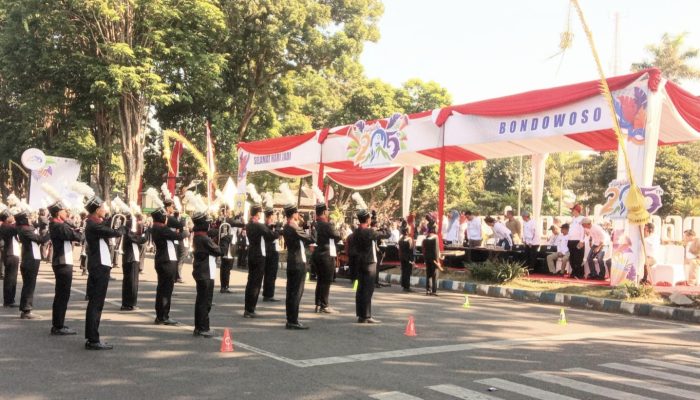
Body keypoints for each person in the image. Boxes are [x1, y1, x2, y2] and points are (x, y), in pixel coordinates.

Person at [84, 195, 125, 350]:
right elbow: (114, 232)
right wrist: (121, 228)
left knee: (96, 303)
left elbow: (106, 224)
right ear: (96, 209)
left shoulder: (94, 223)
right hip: (99, 265)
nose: (105, 209)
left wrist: (116, 216)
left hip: (99, 264)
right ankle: (93, 339)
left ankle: (92, 337)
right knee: (96, 303)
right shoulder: (93, 225)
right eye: (102, 207)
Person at [48, 200, 83, 334]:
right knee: (62, 295)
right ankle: (58, 326)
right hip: (62, 262)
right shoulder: (59, 226)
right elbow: (77, 236)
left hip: (62, 261)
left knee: (62, 295)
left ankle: (59, 323)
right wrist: (78, 231)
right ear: (58, 213)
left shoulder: (58, 224)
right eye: (63, 211)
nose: (66, 212)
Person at [352, 205, 390, 324]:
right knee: (368, 290)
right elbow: (387, 234)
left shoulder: (356, 232)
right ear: (367, 219)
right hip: (370, 263)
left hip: (360, 262)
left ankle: (360, 315)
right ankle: (367, 316)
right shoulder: (369, 232)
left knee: (360, 289)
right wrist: (383, 223)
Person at [191, 212, 226, 337]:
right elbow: (219, 251)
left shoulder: (199, 236)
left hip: (202, 271)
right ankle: (203, 328)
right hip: (205, 272)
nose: (209, 224)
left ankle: (199, 327)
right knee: (205, 301)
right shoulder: (204, 239)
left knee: (202, 300)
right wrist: (225, 239)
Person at [151, 206, 188, 325]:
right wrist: (185, 229)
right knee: (166, 289)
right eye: (165, 216)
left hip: (164, 259)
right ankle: (164, 316)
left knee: (162, 289)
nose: (166, 218)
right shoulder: (161, 228)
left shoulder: (158, 227)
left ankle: (160, 315)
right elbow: (179, 236)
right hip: (166, 261)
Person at [243, 199, 279, 318]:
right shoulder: (258, 225)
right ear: (258, 213)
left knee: (250, 282)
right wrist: (276, 229)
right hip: (259, 255)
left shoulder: (249, 224)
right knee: (256, 284)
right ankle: (250, 309)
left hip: (252, 254)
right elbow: (272, 236)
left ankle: (248, 308)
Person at [281, 202, 314, 329]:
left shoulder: (287, 226)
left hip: (292, 260)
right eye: (297, 213)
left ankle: (291, 319)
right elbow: (310, 239)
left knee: (291, 292)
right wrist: (312, 227)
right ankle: (293, 320)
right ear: (294, 214)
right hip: (298, 261)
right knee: (296, 292)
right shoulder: (293, 227)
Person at [16, 209, 50, 320]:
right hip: (30, 259)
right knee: (29, 286)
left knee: (28, 285)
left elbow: (35, 226)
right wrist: (50, 232)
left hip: (30, 259)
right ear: (24, 220)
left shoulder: (24, 228)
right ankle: (26, 310)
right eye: (28, 218)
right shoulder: (25, 230)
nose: (31, 219)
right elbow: (41, 239)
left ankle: (25, 308)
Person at [311, 200, 342, 314]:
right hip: (326, 254)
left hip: (317, 254)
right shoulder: (327, 224)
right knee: (326, 280)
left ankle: (318, 303)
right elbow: (337, 236)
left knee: (320, 280)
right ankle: (324, 305)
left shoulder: (315, 224)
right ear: (324, 211)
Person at [121, 212, 147, 311]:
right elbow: (139, 240)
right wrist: (146, 234)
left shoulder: (130, 233)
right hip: (130, 258)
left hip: (132, 258)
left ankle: (130, 303)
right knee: (130, 282)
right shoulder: (129, 233)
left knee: (132, 282)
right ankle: (128, 303)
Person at [262, 206, 282, 302]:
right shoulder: (265, 226)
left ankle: (269, 293)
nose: (275, 217)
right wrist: (277, 229)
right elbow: (275, 236)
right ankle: (268, 294)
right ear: (270, 216)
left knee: (271, 274)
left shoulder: (271, 225)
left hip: (272, 250)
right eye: (273, 215)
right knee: (270, 273)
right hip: (270, 251)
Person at [1, 209, 20, 308]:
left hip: (12, 254)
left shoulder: (7, 226)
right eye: (11, 216)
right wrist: (19, 220)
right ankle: (8, 300)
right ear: (6, 217)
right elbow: (16, 229)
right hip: (10, 254)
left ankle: (10, 299)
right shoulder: (5, 226)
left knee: (12, 278)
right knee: (10, 278)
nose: (12, 217)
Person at [422, 222, 442, 296]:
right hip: (434, 258)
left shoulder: (426, 237)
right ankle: (434, 291)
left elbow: (424, 250)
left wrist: (425, 259)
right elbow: (436, 250)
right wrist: (438, 261)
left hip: (427, 258)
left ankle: (428, 290)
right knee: (434, 274)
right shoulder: (435, 237)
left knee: (428, 274)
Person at [568, 204, 586, 279]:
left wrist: (581, 241)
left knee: (578, 259)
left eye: (573, 210)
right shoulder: (573, 219)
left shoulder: (582, 218)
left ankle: (579, 274)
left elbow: (583, 230)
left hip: (578, 241)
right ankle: (574, 272)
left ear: (577, 210)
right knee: (571, 259)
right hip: (571, 240)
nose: (572, 211)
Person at [398, 225, 415, 292]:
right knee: (407, 272)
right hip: (408, 258)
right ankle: (407, 287)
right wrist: (412, 260)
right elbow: (411, 250)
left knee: (403, 271)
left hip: (402, 257)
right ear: (407, 232)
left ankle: (404, 285)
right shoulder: (409, 239)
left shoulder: (401, 239)